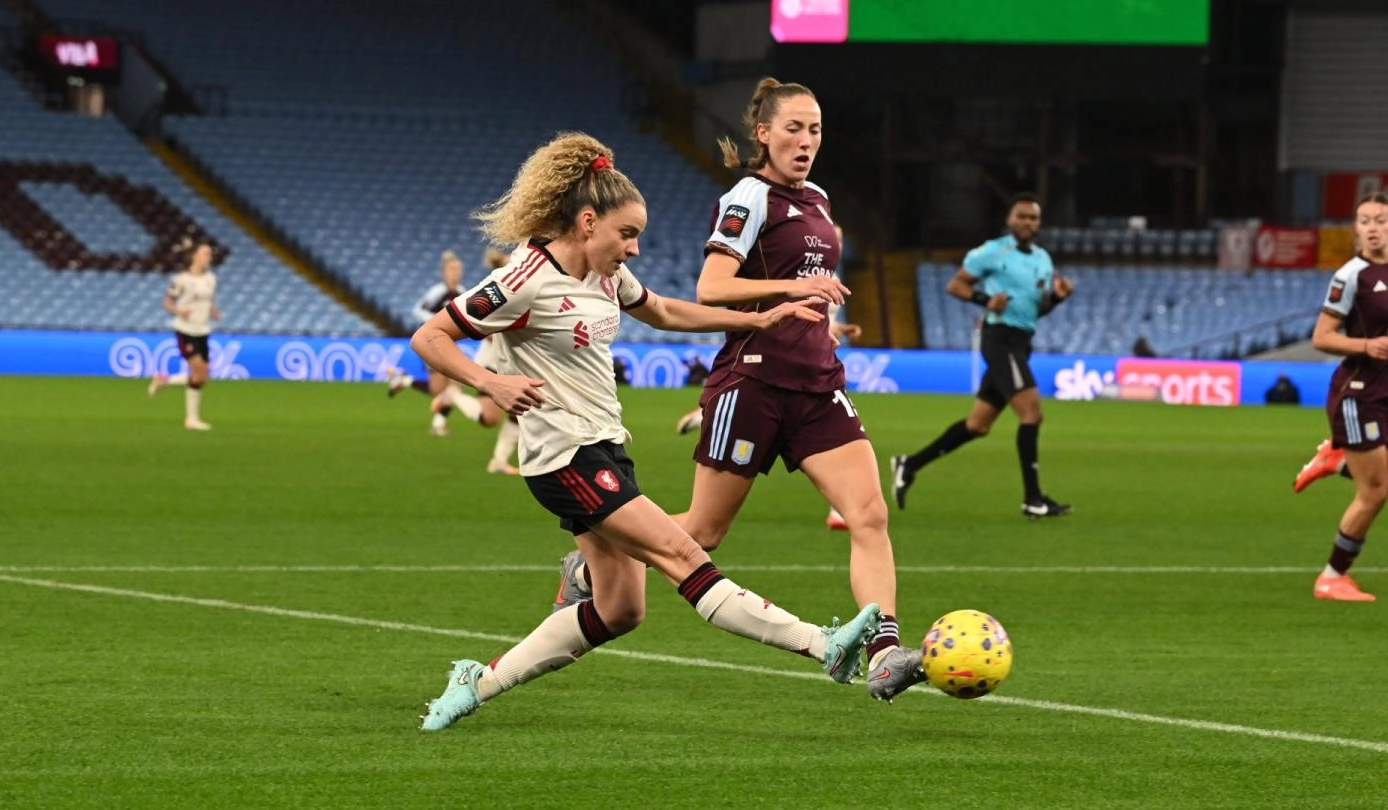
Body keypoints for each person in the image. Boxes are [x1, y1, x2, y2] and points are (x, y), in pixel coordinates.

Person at [414, 132, 880, 731]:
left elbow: (663, 310)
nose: (634, 249)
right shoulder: (525, 278)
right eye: (626, 234)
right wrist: (491, 383)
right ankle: (823, 644)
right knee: (683, 553)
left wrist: (758, 318)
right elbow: (429, 338)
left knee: (621, 609)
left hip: (604, 445)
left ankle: (475, 684)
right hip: (564, 458)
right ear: (587, 222)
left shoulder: (604, 276)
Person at [556, 78, 924, 704]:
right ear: (763, 133)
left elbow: (802, 281)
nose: (805, 141)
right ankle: (591, 565)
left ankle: (885, 652)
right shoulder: (749, 196)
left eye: (814, 130)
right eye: (793, 128)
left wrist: (826, 322)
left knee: (869, 514)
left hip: (815, 383)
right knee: (702, 530)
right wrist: (793, 294)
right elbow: (713, 287)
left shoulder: (818, 200)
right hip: (752, 381)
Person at [890, 193, 1075, 518]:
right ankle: (1033, 499)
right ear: (1010, 219)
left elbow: (1036, 309)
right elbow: (955, 285)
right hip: (999, 338)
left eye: (1033, 218)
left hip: (1021, 340)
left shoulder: (1043, 260)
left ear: (1039, 223)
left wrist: (1056, 299)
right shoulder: (993, 251)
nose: (1027, 222)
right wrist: (984, 299)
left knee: (977, 425)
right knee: (1031, 414)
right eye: (1022, 216)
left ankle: (909, 464)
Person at [1301, 191, 1388, 601]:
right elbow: (1321, 337)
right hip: (1360, 394)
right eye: (1366, 221)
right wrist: (1365, 346)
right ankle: (1332, 575)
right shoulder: (1351, 275)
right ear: (1356, 229)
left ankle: (1337, 460)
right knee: (1375, 492)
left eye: (1381, 220)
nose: (1373, 228)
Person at [387, 249, 521, 473]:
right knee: (440, 390)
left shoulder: (463, 291)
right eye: (452, 269)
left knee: (517, 412)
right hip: (445, 341)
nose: (456, 273)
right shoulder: (478, 292)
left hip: (504, 357)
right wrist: (440, 324)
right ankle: (448, 400)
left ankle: (497, 459)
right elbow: (424, 311)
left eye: (458, 269)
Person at [148, 239, 220, 430]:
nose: (209, 258)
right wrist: (179, 311)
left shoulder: (210, 279)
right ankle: (191, 419)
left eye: (210, 255)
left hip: (203, 331)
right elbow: (168, 302)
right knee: (197, 371)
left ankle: (165, 381)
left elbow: (209, 300)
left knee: (202, 377)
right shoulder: (182, 280)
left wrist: (213, 311)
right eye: (205, 254)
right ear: (195, 256)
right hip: (186, 331)